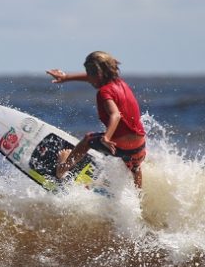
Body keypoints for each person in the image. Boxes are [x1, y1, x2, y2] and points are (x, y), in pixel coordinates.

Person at [46, 51, 146, 188]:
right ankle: (139, 200)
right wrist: (66, 77)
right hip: (139, 143)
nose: (88, 78)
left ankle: (62, 169)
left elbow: (115, 114)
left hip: (121, 143)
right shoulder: (121, 83)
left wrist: (107, 137)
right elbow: (92, 77)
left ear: (97, 74)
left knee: (88, 139)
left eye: (89, 73)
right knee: (135, 168)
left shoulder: (104, 92)